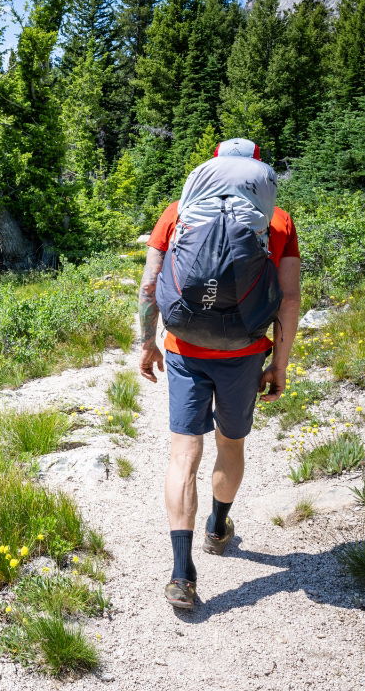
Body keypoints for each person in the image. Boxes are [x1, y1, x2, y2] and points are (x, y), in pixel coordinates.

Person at [137, 137, 301, 610]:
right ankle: (217, 525)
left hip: (186, 349)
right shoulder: (278, 220)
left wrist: (148, 344)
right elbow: (288, 299)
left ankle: (181, 573)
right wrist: (280, 364)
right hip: (245, 350)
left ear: (212, 169)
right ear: (257, 173)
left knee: (182, 454)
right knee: (231, 444)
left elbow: (150, 286)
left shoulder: (178, 211)